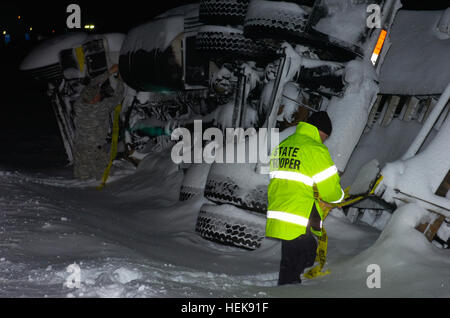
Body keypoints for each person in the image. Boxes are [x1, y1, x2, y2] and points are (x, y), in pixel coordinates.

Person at [266, 111, 344, 285]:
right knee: (291, 264)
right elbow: (330, 190)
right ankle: (288, 291)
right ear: (320, 131)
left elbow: (288, 177)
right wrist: (339, 198)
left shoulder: (284, 144)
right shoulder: (316, 150)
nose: (325, 140)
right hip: (297, 213)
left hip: (280, 208)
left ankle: (299, 279)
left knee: (305, 250)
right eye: (325, 136)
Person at [73, 65, 124, 180]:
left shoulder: (78, 105)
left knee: (83, 180)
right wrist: (119, 79)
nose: (100, 94)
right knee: (105, 179)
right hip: (95, 151)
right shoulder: (101, 108)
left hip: (80, 149)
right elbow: (118, 96)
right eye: (98, 94)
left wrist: (109, 72)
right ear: (94, 98)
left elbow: (91, 85)